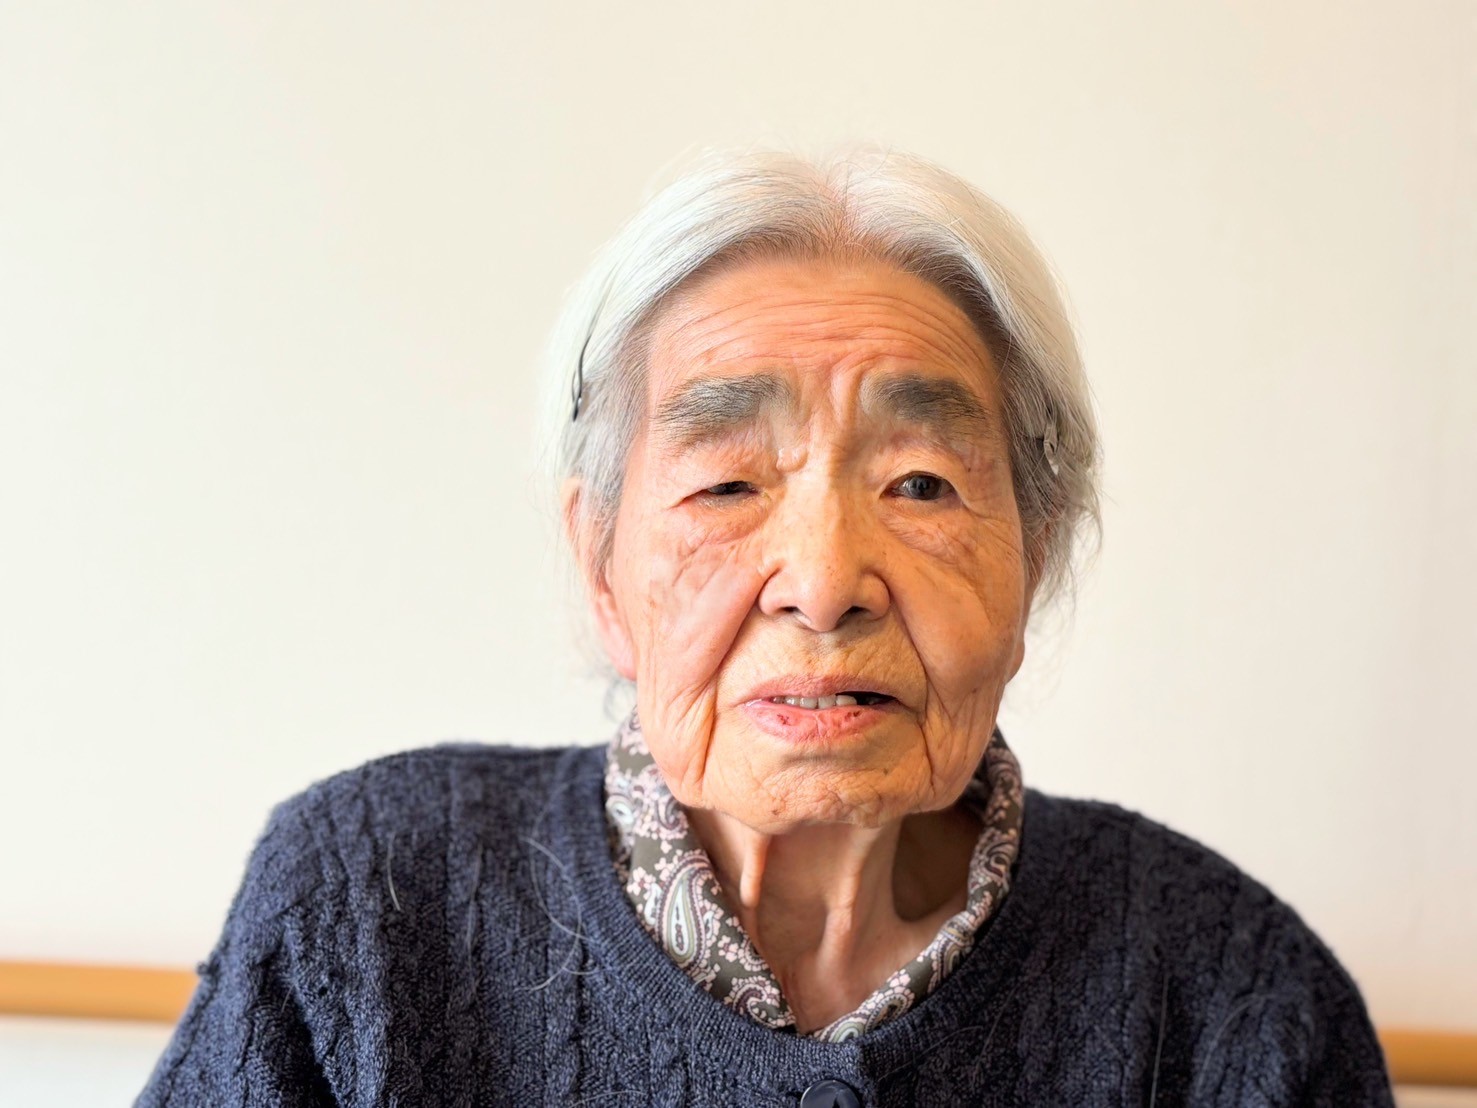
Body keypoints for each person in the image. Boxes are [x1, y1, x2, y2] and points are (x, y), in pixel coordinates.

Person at [137, 147, 1395, 1106]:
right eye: (727, 484)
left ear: (1037, 554)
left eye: (920, 484)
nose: (823, 582)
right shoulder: (364, 903)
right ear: (600, 563)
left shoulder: (1233, 996)